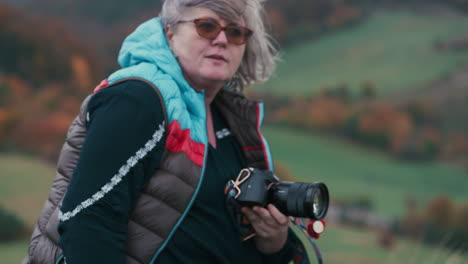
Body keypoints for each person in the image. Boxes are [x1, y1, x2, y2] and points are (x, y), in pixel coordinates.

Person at [23, 0, 309, 263]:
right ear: (170, 32)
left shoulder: (234, 120)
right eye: (206, 26)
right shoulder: (138, 98)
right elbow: (88, 223)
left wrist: (275, 241)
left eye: (236, 32)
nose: (222, 40)